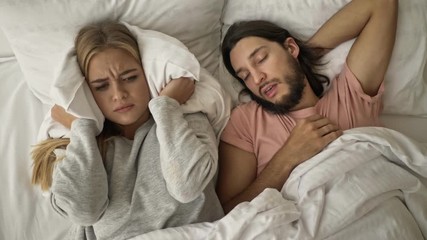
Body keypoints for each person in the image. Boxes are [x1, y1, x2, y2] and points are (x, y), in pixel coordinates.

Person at [31, 21, 224, 239]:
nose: (119, 94)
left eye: (130, 78)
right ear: (87, 91)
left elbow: (187, 187)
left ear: (146, 74)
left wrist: (166, 106)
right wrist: (81, 126)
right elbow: (84, 212)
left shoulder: (184, 120)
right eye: (101, 86)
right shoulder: (77, 144)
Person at [217, 0, 398, 213]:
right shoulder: (246, 121)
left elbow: (381, 4)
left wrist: (305, 54)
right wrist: (288, 157)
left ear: (290, 47)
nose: (257, 78)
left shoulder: (349, 96)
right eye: (245, 76)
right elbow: (226, 215)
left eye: (261, 58)